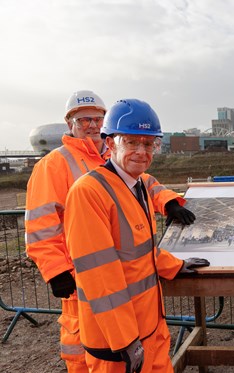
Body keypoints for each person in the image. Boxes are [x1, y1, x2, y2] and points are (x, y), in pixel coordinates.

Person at [24, 91, 196, 373]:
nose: (91, 124)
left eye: (148, 144)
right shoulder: (60, 169)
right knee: (81, 354)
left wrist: (170, 207)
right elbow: (43, 226)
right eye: (84, 120)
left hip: (144, 319)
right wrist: (56, 270)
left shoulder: (130, 177)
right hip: (94, 298)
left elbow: (137, 246)